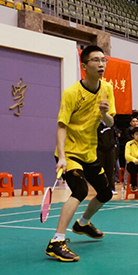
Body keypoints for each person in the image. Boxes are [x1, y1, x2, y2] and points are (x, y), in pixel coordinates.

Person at [45, 45, 116, 262]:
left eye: (103, 60)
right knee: (80, 190)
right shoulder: (71, 93)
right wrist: (62, 157)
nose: (101, 64)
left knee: (106, 193)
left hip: (89, 152)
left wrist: (105, 113)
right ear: (84, 66)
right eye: (96, 60)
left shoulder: (107, 88)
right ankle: (56, 241)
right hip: (70, 153)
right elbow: (61, 126)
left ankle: (82, 224)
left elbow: (110, 123)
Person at [97, 120, 118, 196]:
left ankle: (111, 188)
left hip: (111, 150)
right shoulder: (96, 125)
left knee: (111, 169)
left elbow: (115, 135)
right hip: (100, 150)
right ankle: (101, 189)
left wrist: (114, 145)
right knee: (101, 170)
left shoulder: (111, 123)